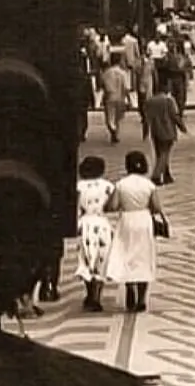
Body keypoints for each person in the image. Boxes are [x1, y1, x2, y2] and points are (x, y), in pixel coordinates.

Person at [104, 151, 165, 313]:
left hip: (127, 220)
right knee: (143, 257)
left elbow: (113, 206)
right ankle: (142, 298)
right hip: (144, 220)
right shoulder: (149, 185)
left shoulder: (121, 184)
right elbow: (157, 207)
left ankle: (129, 287)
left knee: (127, 255)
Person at [74, 156, 116, 312]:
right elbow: (112, 206)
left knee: (86, 259)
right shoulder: (108, 186)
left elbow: (77, 207)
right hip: (102, 224)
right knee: (101, 259)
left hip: (85, 224)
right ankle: (97, 295)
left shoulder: (79, 186)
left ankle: (89, 293)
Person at [142, 81, 185, 185]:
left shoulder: (149, 101)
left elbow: (146, 119)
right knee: (164, 153)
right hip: (168, 130)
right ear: (166, 88)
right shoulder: (169, 101)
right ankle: (156, 176)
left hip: (155, 131)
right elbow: (174, 116)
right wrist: (182, 126)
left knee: (159, 154)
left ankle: (166, 174)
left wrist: (145, 132)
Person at [98, 55, 133, 144]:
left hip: (109, 97)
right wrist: (129, 100)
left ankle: (112, 130)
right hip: (120, 97)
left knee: (110, 118)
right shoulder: (123, 73)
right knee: (117, 118)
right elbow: (126, 88)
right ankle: (115, 134)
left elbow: (102, 85)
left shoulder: (107, 73)